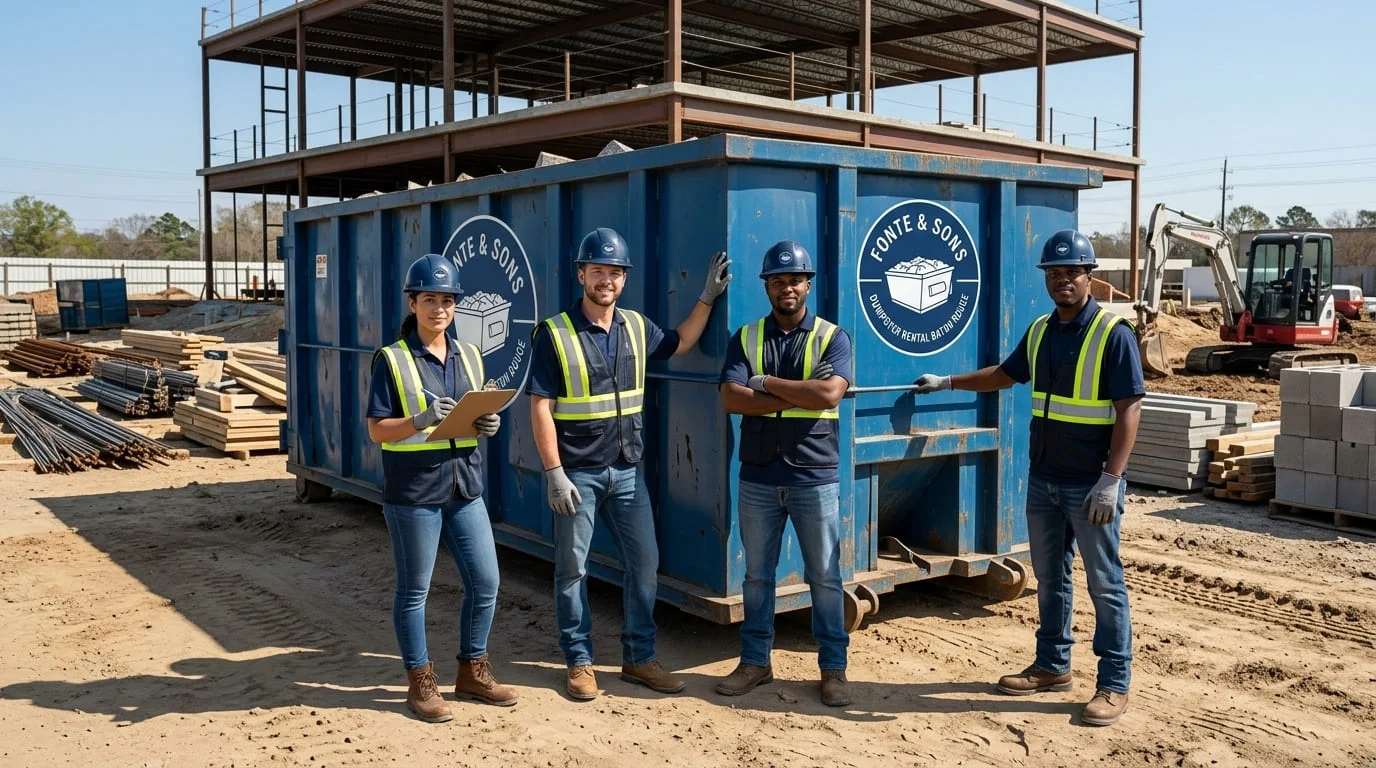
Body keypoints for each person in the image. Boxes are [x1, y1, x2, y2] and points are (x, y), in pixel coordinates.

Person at [914, 229, 1143, 727]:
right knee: (1050, 579)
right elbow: (1003, 375)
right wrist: (947, 381)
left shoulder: (1112, 334)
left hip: (1090, 485)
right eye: (1054, 273)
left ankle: (1113, 683)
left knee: (1105, 582)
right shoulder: (1041, 330)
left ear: (1090, 277)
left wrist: (1113, 478)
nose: (1062, 280)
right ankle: (1053, 665)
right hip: (1044, 480)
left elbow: (1130, 409)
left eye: (1072, 272)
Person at [528, 227, 732, 701]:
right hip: (576, 473)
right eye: (598, 270)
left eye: (615, 272)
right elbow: (540, 406)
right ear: (581, 274)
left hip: (626, 471)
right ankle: (579, 662)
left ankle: (639, 658)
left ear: (624, 279)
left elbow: (680, 342)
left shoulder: (637, 327)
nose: (607, 279)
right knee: (572, 570)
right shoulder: (555, 333)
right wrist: (554, 473)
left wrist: (706, 297)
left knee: (645, 565)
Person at [366, 253, 517, 723]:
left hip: (464, 487)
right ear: (412, 303)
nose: (439, 308)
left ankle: (473, 669)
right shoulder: (391, 359)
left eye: (448, 300)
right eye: (429, 299)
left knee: (487, 582)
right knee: (415, 591)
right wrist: (419, 419)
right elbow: (376, 430)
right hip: (414, 494)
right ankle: (420, 681)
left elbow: (469, 416)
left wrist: (486, 422)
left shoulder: (470, 354)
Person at [713, 240, 854, 707]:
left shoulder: (833, 337)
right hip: (758, 475)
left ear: (807, 285)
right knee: (756, 576)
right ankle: (755, 662)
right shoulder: (746, 336)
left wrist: (767, 384)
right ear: (767, 287)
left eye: (795, 280)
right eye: (778, 280)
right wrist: (800, 392)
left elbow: (829, 395)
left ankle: (833, 670)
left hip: (814, 475)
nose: (787, 287)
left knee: (825, 577)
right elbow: (732, 398)